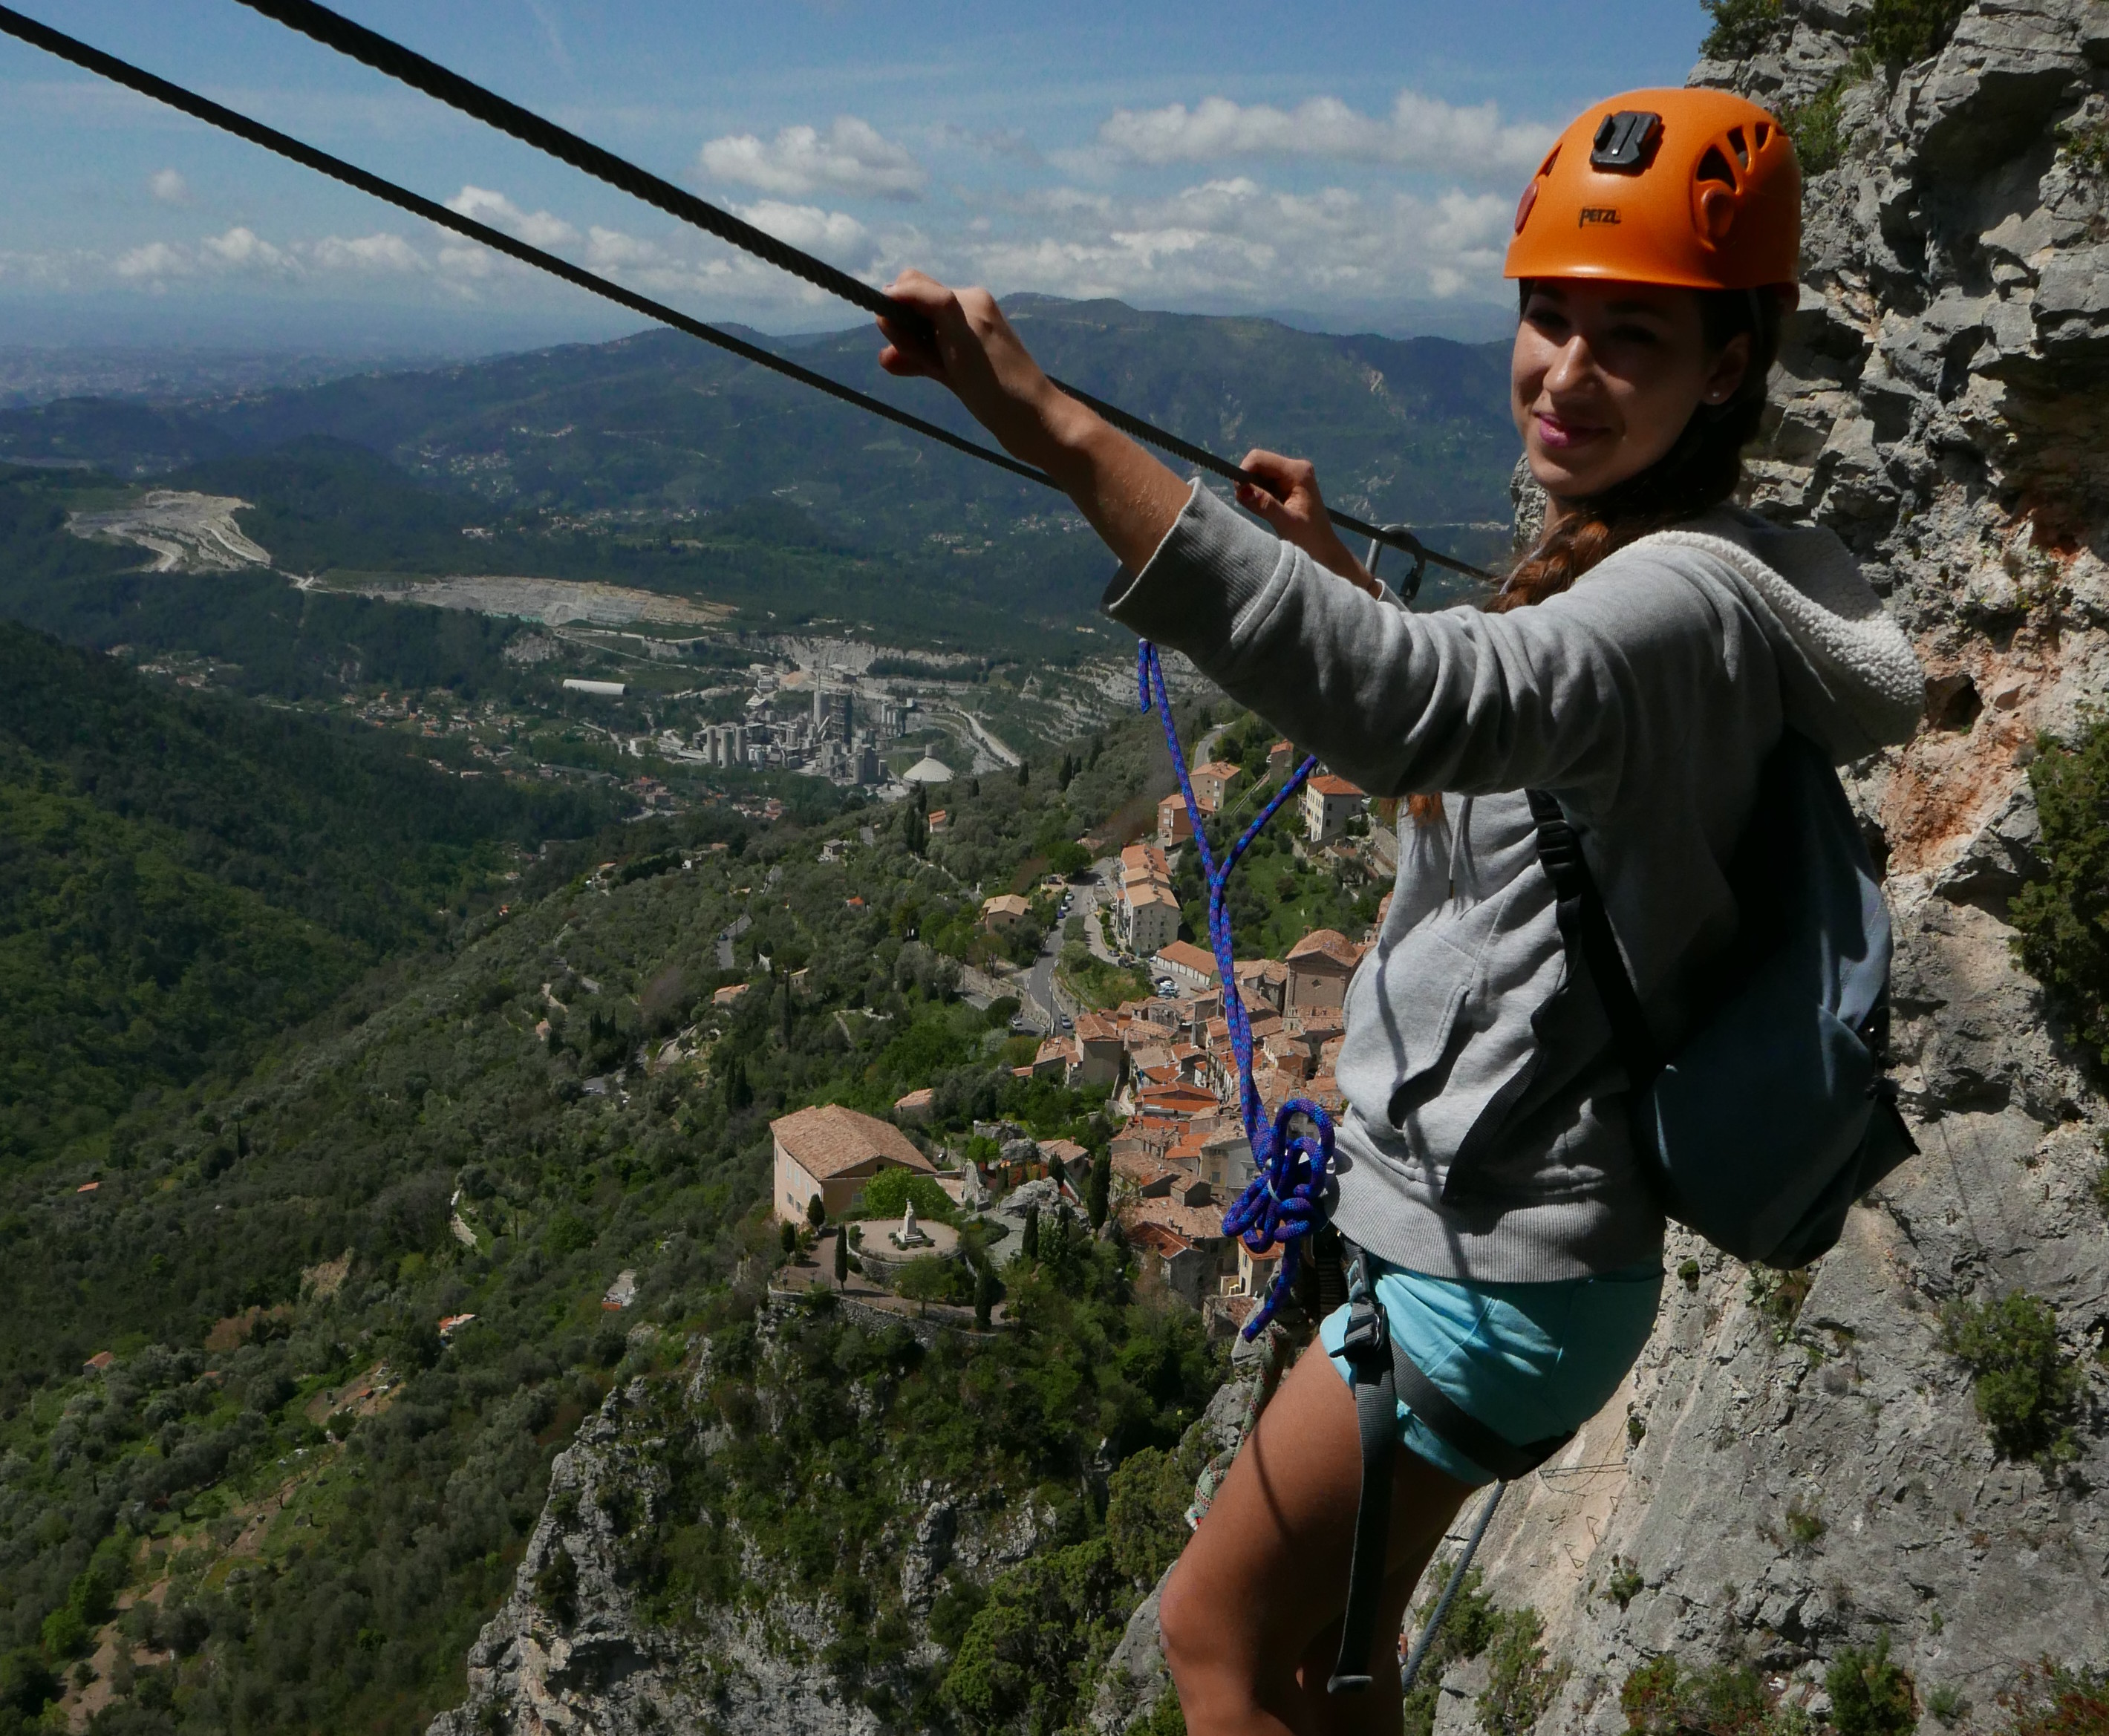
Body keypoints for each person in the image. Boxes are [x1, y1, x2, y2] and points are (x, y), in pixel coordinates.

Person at [876, 88, 1923, 1736]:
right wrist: (1342, 580)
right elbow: (1510, 786)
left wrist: (1056, 428)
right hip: (1530, 1264)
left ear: (1726, 366)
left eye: (1627, 339)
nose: (1564, 372)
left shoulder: (1670, 594)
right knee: (1323, 1672)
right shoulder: (1667, 556)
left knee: (1208, 1643)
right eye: (1545, 316)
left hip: (1489, 1263)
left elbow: (1412, 710)